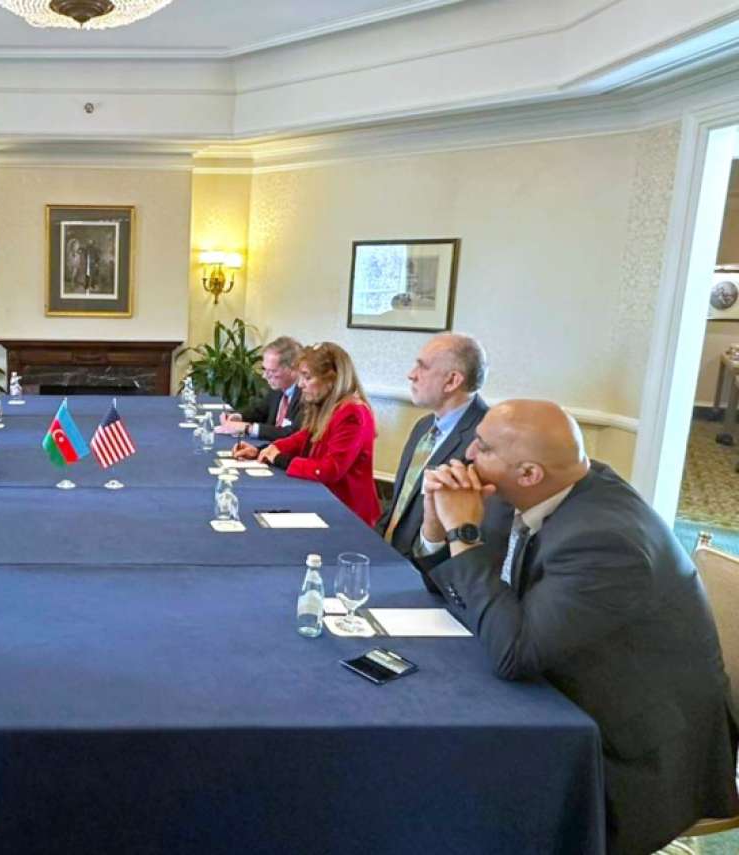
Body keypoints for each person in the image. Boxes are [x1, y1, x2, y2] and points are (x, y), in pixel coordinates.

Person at [418, 400, 739, 855]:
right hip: (577, 680)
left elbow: (514, 654)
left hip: (636, 752)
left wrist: (463, 536)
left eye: (483, 447)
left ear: (528, 473)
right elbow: (455, 591)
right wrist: (438, 523)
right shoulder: (536, 488)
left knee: (452, 776)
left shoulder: (605, 539)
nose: (467, 453)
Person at [233, 342, 380, 525]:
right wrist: (263, 450)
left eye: (307, 377)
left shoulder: (352, 413)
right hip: (322, 497)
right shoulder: (326, 404)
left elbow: (330, 470)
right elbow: (303, 438)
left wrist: (280, 459)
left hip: (346, 511)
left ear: (332, 380)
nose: (300, 384)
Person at [376, 333, 488, 565]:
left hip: (431, 571)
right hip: (388, 556)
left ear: (452, 381)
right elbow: (400, 504)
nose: (411, 375)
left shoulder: (485, 439)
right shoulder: (423, 426)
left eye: (422, 367)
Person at [217, 336, 302, 441]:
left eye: (272, 371)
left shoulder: (306, 395)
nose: (264, 376)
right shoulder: (277, 389)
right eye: (264, 369)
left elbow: (291, 434)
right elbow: (259, 411)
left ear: (293, 369)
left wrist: (248, 428)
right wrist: (238, 417)